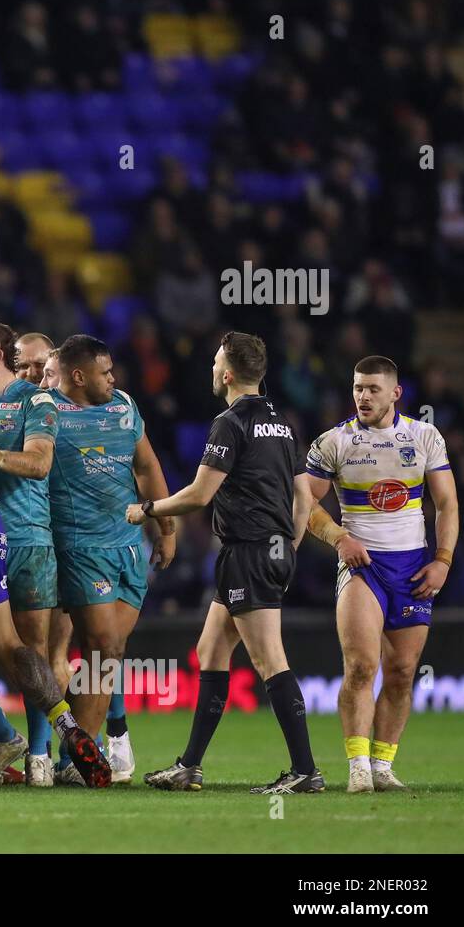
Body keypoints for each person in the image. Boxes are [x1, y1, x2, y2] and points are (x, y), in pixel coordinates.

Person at [136, 332, 322, 794]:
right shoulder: (283, 423)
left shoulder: (230, 422)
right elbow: (303, 498)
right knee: (210, 651)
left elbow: (200, 494)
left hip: (249, 550)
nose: (213, 369)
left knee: (268, 659)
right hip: (270, 549)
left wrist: (149, 510)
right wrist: (287, 545)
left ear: (229, 373)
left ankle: (305, 771)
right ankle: (190, 766)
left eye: (217, 361)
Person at [0, 321, 110, 787]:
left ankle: (40, 756)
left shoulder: (33, 400)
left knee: (37, 650)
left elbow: (41, 462)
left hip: (27, 537)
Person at [304, 355, 458, 792]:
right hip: (363, 567)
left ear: (395, 393)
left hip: (413, 568)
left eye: (372, 388)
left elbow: (447, 503)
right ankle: (357, 768)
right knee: (360, 666)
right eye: (357, 388)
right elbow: (304, 502)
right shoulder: (334, 442)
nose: (363, 396)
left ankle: (383, 766)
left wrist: (443, 560)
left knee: (403, 671)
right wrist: (339, 538)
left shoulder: (424, 436)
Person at [46, 334, 175, 785]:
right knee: (105, 648)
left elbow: (147, 466)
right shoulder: (48, 411)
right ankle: (78, 757)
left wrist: (166, 526)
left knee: (106, 658)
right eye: (105, 372)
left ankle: (73, 758)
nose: (113, 379)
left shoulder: (123, 405)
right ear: (78, 377)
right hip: (81, 549)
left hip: (128, 547)